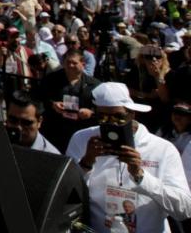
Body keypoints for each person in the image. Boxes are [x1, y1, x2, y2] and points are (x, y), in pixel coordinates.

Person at [65, 83, 191, 233]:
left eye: (119, 117)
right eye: (102, 117)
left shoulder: (162, 149)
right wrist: (86, 162)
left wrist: (141, 176)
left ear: (132, 113)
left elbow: (184, 209)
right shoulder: (81, 139)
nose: (111, 123)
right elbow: (65, 195)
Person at [38, 49, 101, 152]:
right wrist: (52, 104)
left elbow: (102, 109)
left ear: (83, 64)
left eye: (74, 63)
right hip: (55, 130)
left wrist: (91, 113)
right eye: (68, 62)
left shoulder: (94, 85)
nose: (70, 65)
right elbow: (39, 98)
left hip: (81, 131)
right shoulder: (50, 80)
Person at [5, 90, 60, 154]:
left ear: (39, 122)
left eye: (26, 123)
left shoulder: (52, 158)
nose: (19, 127)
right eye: (13, 120)